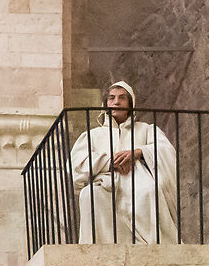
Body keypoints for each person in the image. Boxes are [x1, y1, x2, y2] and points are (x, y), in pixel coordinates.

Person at [71, 80, 178, 244]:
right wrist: (109, 162)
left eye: (122, 98)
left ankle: (152, 244)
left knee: (150, 191)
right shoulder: (94, 135)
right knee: (89, 195)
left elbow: (166, 150)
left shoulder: (145, 129)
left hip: (138, 178)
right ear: (106, 103)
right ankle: (103, 248)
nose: (116, 102)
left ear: (130, 103)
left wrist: (138, 152)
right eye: (111, 98)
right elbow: (78, 161)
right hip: (106, 182)